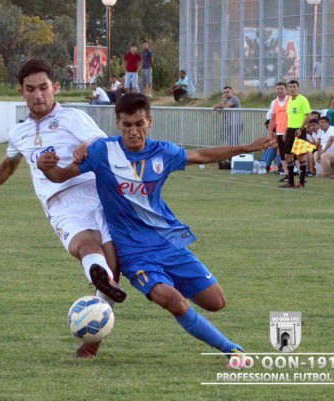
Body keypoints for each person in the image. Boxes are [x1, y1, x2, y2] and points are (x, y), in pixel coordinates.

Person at [37, 93, 271, 368]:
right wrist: (46, 169)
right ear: (117, 123)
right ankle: (231, 349)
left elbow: (202, 155)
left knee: (215, 301)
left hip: (167, 243)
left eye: (139, 124)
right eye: (126, 125)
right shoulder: (102, 152)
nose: (133, 131)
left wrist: (248, 146)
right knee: (173, 300)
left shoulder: (164, 152)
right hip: (133, 253)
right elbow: (62, 175)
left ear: (150, 121)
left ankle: (173, 296)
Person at [0, 59, 126, 358]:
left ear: (55, 88)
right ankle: (95, 310)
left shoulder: (74, 118)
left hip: (96, 190)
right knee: (85, 244)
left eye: (43, 88)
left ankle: (100, 287)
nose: (38, 95)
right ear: (21, 92)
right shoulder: (19, 133)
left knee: (113, 260)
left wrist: (85, 150)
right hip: (61, 200)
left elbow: (105, 148)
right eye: (31, 89)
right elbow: (9, 164)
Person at [282, 80, 312, 188]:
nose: (292, 88)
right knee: (287, 156)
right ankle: (290, 181)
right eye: (290, 87)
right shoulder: (289, 101)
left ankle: (302, 182)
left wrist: (301, 128)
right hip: (290, 130)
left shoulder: (303, 100)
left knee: (299, 156)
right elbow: (290, 118)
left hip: (299, 131)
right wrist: (286, 131)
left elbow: (309, 116)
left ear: (298, 88)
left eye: (294, 86)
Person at [267, 82, 290, 182]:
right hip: (279, 131)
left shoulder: (290, 100)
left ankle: (298, 173)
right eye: (278, 89)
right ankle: (286, 173)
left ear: (286, 90)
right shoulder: (274, 102)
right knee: (282, 153)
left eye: (281, 89)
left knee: (292, 153)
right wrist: (271, 130)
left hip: (290, 130)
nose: (279, 91)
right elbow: (273, 118)